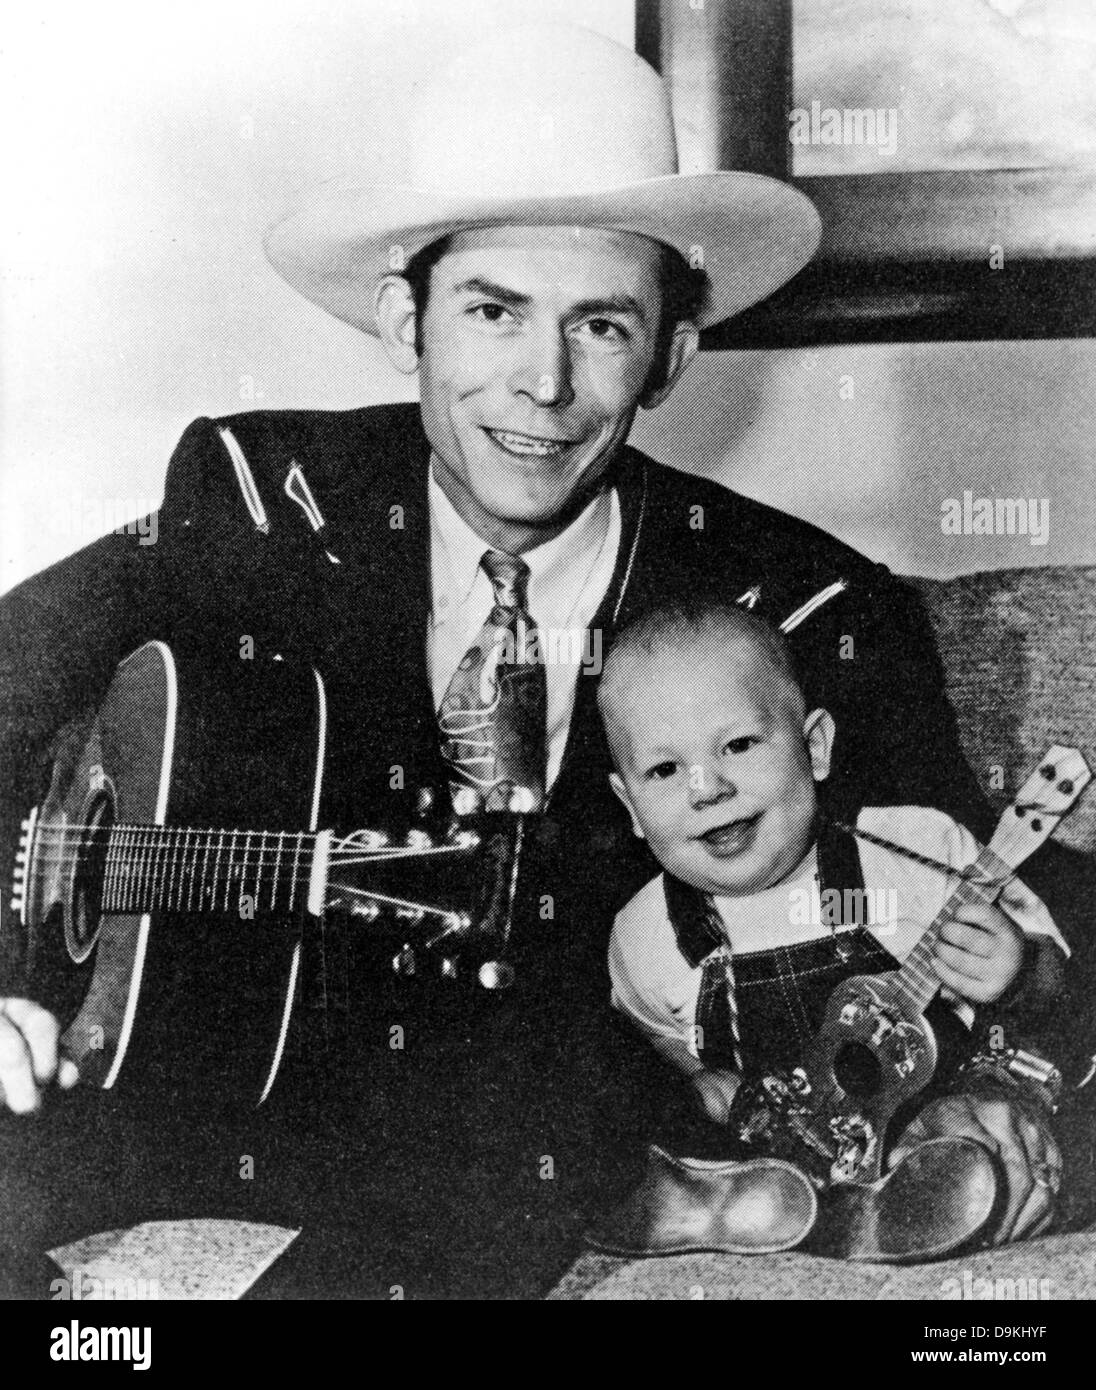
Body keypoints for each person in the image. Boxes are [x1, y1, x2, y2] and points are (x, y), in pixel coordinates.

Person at [0, 24, 1085, 1296]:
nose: (544, 384)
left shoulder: (794, 605)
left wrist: (1016, 1062)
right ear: (405, 320)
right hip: (186, 1079)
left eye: (602, 325)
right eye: (493, 311)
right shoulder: (260, 496)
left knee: (520, 1111)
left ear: (670, 355)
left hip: (516, 1151)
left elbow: (988, 892)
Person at [599, 594, 1067, 1246]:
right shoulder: (647, 934)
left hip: (928, 1129)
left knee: (964, 1139)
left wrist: (1020, 970)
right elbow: (659, 1044)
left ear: (814, 746)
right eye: (664, 768)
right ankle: (739, 1206)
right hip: (777, 1161)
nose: (706, 788)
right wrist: (701, 1084)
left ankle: (915, 1203)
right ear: (629, 805)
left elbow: (1064, 994)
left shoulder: (915, 851)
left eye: (738, 744)